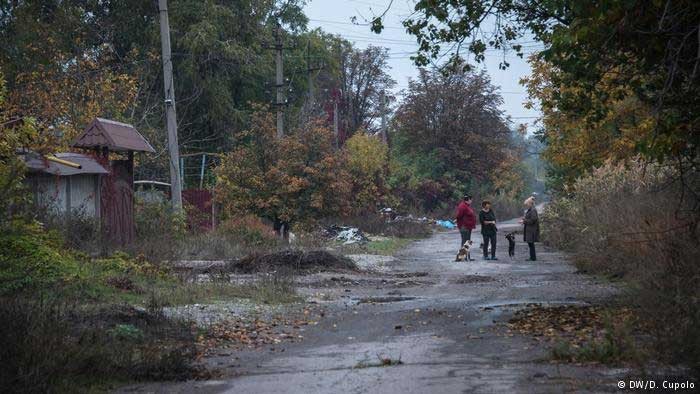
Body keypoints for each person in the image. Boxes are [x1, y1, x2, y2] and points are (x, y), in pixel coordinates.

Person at [455, 194, 476, 260]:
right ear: (468, 200)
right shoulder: (462, 206)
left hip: (468, 226)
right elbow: (459, 216)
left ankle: (467, 257)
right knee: (465, 242)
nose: (471, 201)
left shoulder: (467, 206)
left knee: (468, 242)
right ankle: (461, 257)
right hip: (464, 226)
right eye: (471, 200)